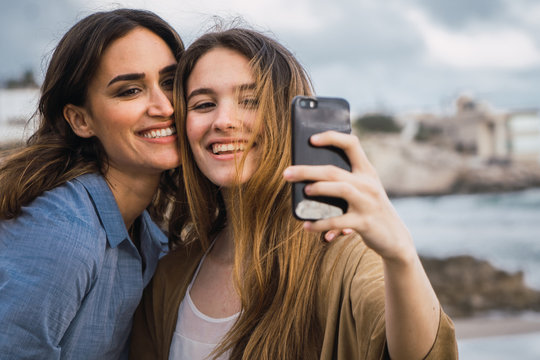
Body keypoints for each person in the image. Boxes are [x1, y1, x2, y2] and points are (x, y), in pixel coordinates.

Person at [130, 27, 458, 360]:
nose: (224, 120)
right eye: (203, 104)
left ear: (292, 120)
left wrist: (400, 254)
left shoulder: (341, 253)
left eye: (250, 101)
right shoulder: (169, 277)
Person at [0, 9, 184, 359]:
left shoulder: (151, 236)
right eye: (130, 91)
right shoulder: (63, 231)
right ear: (81, 120)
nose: (164, 106)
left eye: (171, 82)